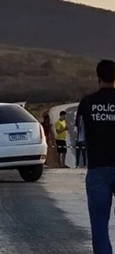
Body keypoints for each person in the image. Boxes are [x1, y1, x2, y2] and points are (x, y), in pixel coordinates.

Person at [76, 59, 115, 254]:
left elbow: (81, 138)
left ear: (98, 77)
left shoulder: (87, 103)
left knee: (99, 227)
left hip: (98, 168)